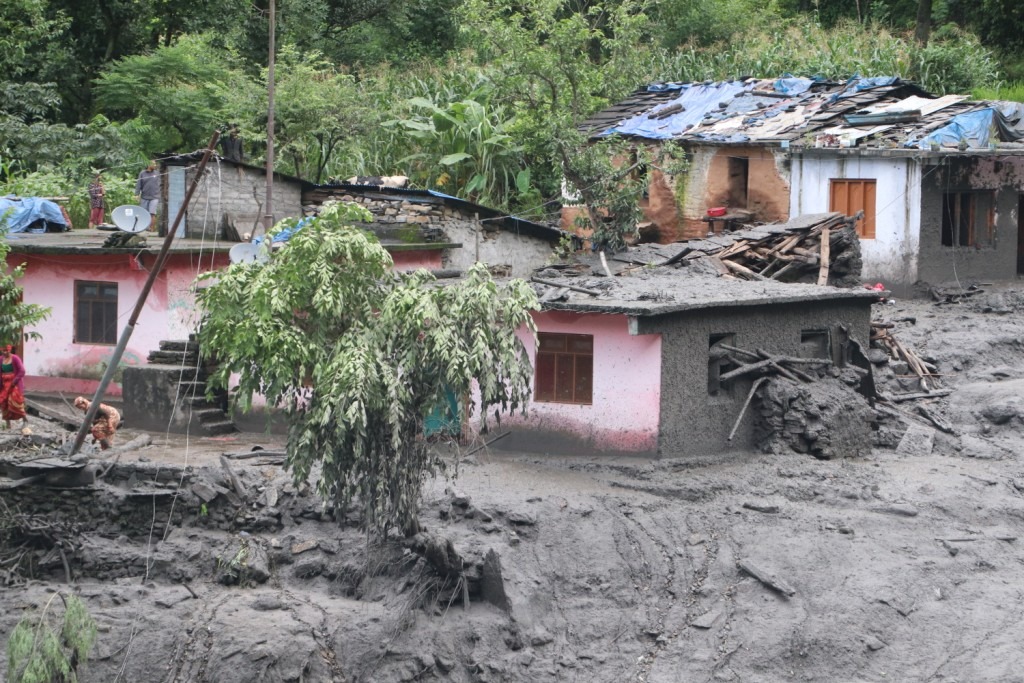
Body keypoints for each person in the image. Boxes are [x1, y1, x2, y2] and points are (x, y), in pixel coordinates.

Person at [0, 345, 27, 430]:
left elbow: (22, 371)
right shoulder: (1, 359)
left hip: (14, 384)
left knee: (15, 401)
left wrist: (14, 381)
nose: (5, 353)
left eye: (6, 351)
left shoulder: (15, 358)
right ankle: (8, 424)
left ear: (9, 350)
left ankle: (25, 419)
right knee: (4, 402)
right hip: (4, 384)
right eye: (3, 351)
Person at [134, 160, 160, 231]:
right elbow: (139, 184)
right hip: (144, 196)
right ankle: (144, 228)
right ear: (149, 165)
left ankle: (151, 229)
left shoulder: (157, 173)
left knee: (152, 213)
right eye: (153, 164)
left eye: (155, 164)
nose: (155, 165)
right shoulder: (142, 173)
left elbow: (160, 184)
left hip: (154, 197)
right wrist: (137, 194)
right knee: (143, 213)